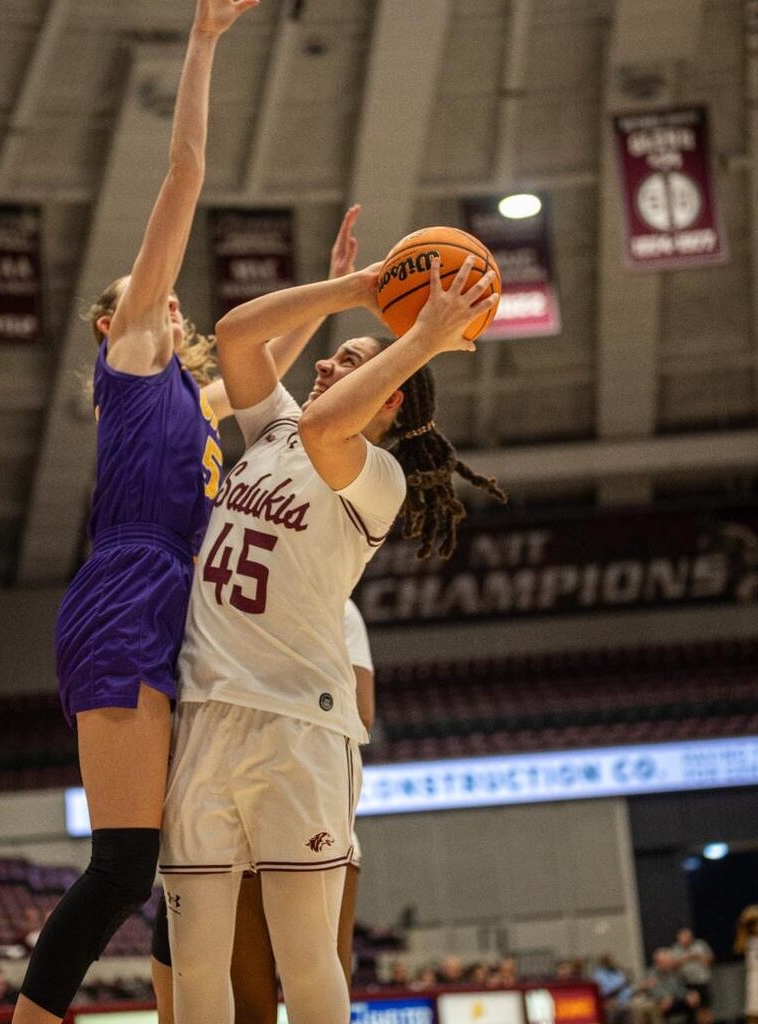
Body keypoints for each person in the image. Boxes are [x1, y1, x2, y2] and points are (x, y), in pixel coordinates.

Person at [17, 1, 332, 1019]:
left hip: (184, 612)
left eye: (173, 302)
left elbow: (265, 366)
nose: (172, 307)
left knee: (186, 862)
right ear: (116, 321)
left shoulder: (192, 403)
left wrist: (335, 289)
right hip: (124, 593)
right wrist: (202, 41)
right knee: (122, 864)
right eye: (151, 298)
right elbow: (184, 176)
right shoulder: (133, 357)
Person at [158, 251, 504, 1024]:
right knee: (198, 967)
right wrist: (359, 289)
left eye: (349, 358)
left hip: (299, 728)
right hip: (206, 714)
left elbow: (325, 425)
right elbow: (236, 333)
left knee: (308, 961)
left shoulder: (374, 477)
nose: (324, 360)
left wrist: (421, 336)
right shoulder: (273, 428)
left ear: (392, 399)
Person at [148, 597, 375, 1024]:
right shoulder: (207, 595)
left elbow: (362, 712)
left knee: (316, 977)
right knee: (247, 1007)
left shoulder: (336, 605)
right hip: (223, 819)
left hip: (302, 805)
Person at [672, 927, 714, 1019]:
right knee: (691, 1011)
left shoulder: (700, 945)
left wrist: (697, 957)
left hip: (702, 981)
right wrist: (687, 958)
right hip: (686, 984)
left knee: (705, 1008)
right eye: (683, 937)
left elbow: (710, 960)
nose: (686, 938)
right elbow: (672, 965)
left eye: (688, 936)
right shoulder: (675, 949)